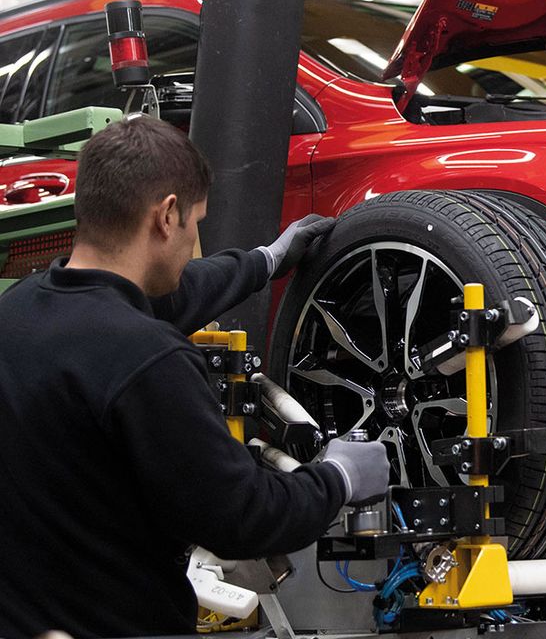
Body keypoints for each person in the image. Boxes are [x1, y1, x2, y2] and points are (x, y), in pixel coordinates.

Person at [0, 115, 389, 638]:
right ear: (166, 216)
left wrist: (263, 263)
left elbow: (166, 296)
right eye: (195, 223)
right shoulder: (149, 360)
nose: (192, 242)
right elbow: (240, 519)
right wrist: (338, 479)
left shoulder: (18, 312)